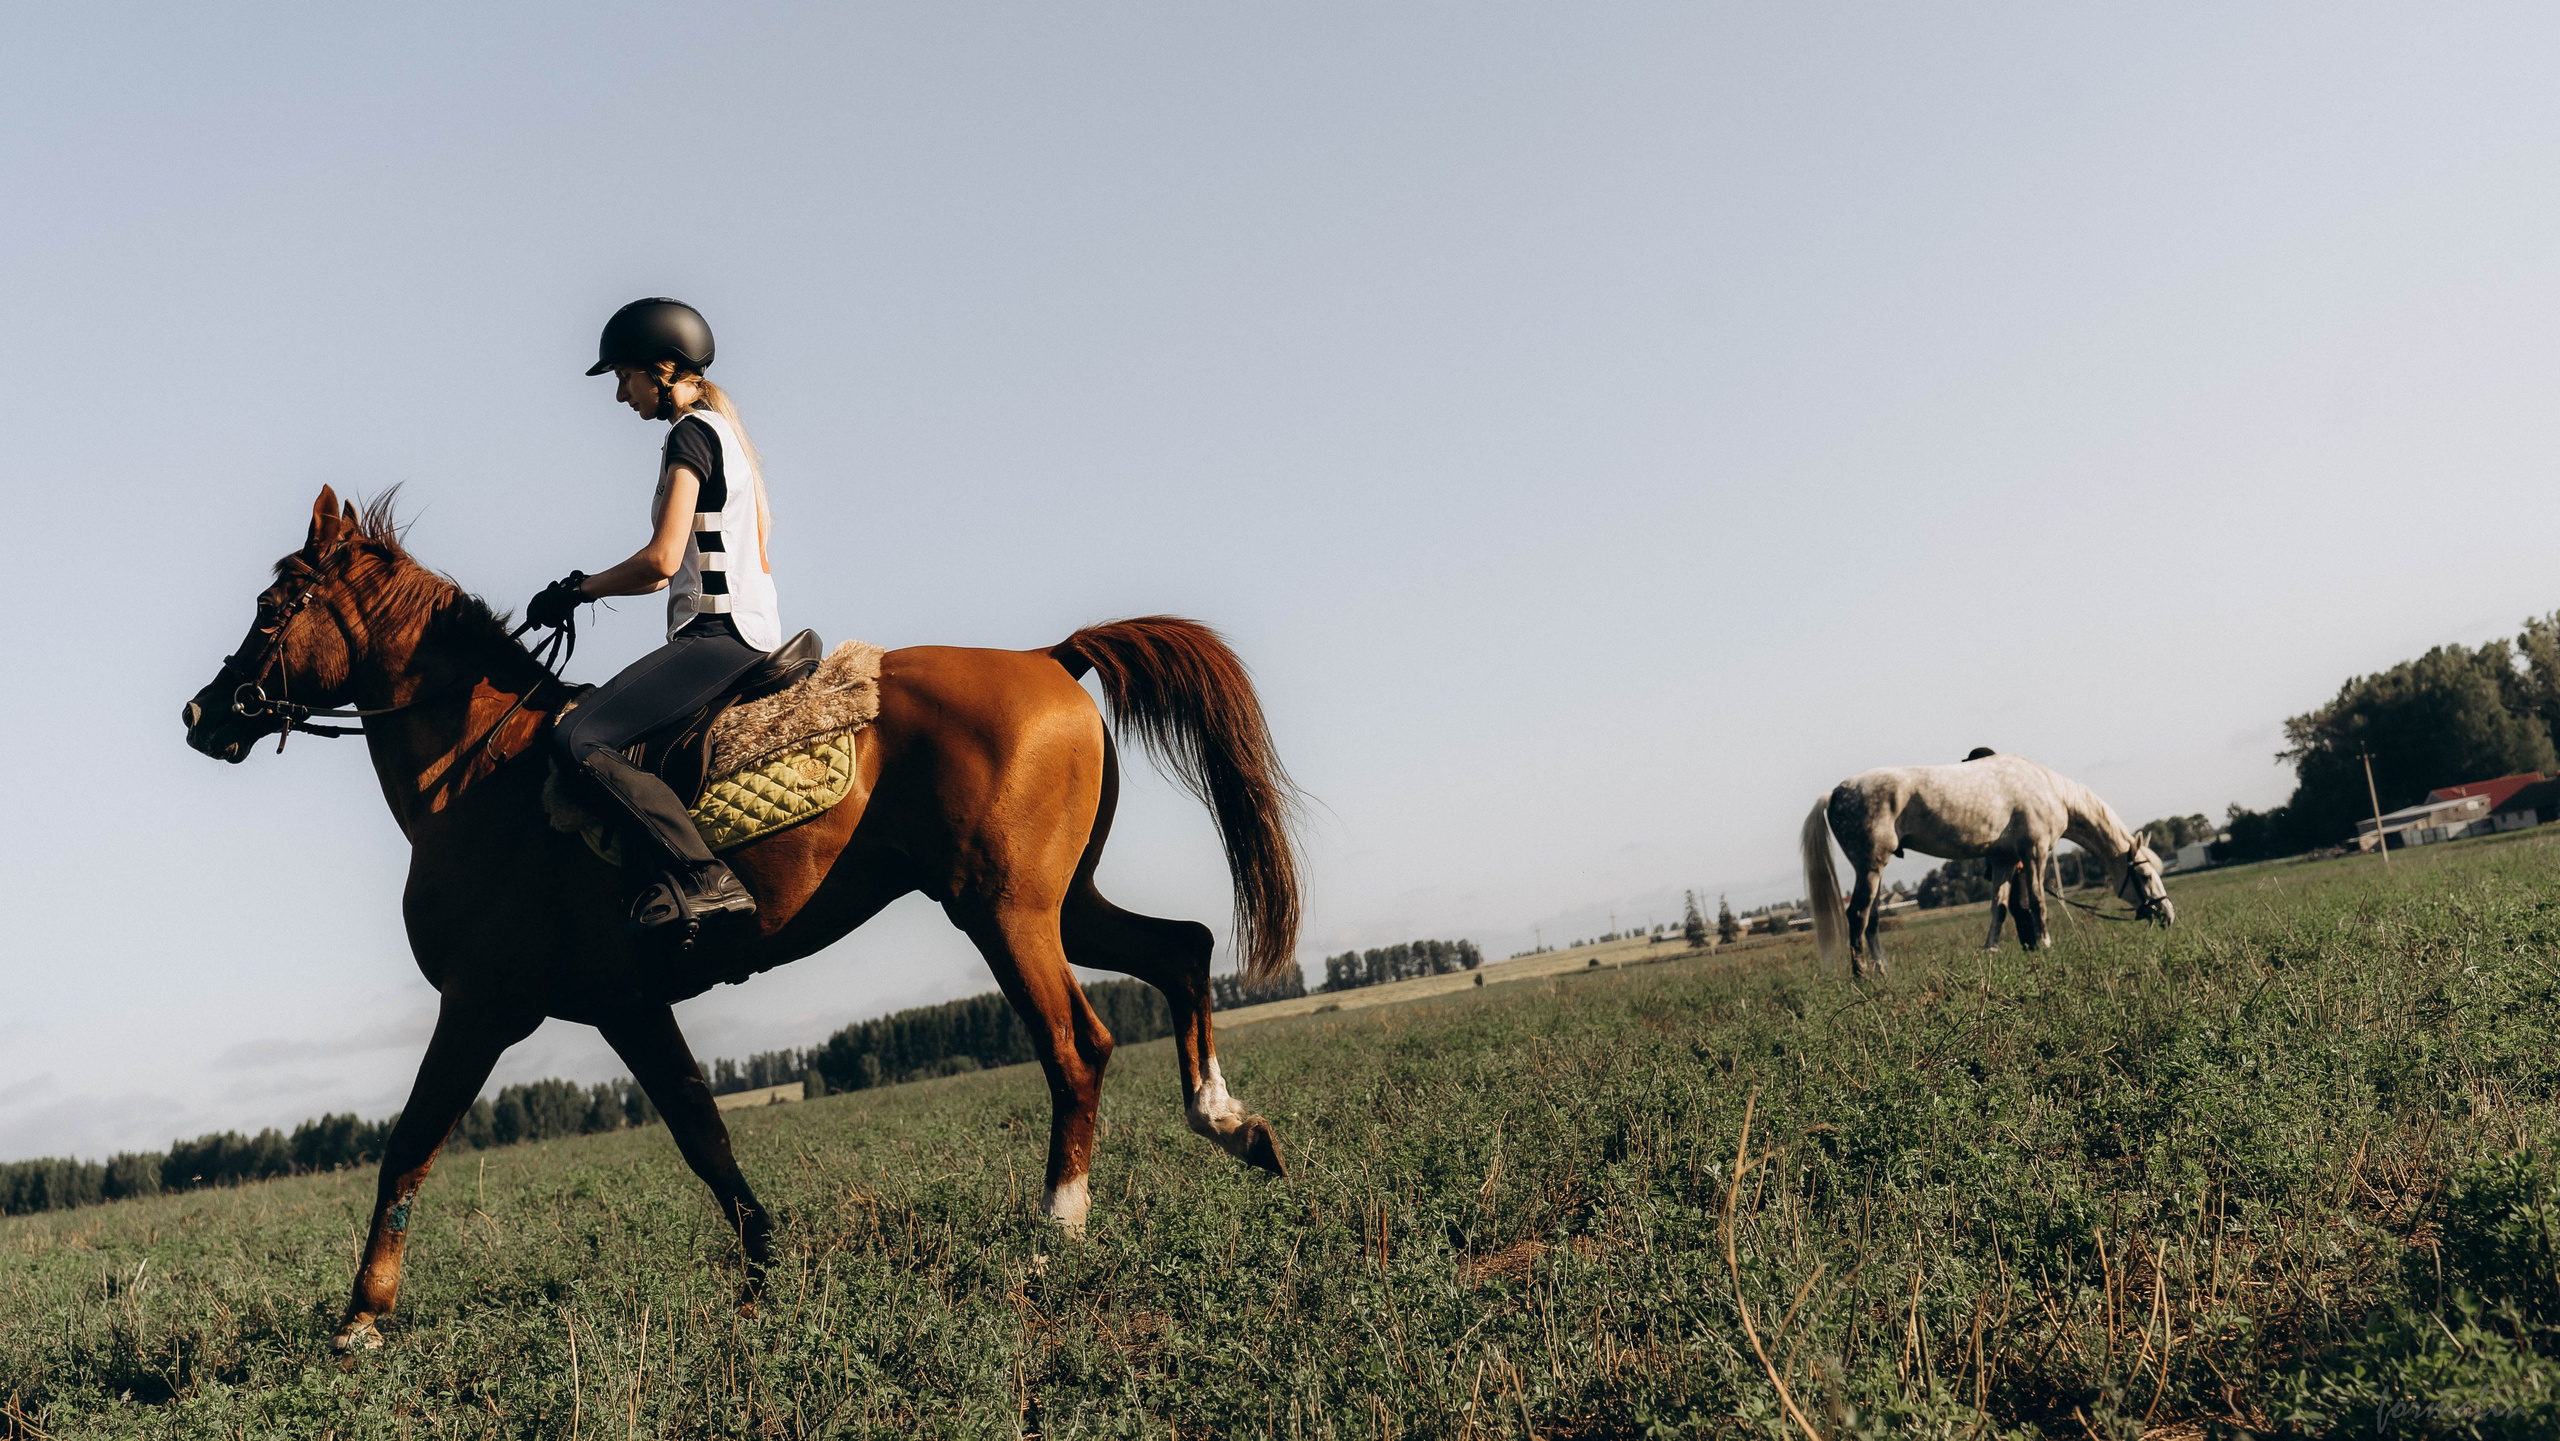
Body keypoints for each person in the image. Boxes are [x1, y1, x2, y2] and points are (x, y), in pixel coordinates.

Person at [525, 298, 781, 935]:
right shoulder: (724, 435)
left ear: (663, 370)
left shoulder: (689, 434)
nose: (619, 394)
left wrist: (578, 589)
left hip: (721, 636)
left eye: (622, 376)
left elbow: (662, 561)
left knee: (579, 738)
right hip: (741, 629)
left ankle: (704, 877)